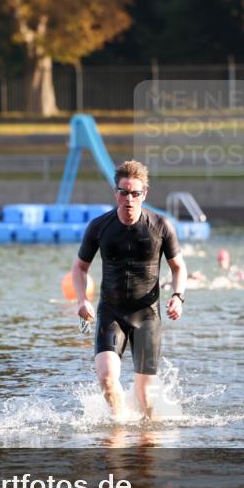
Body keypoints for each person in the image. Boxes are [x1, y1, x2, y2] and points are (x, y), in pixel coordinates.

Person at [70, 160, 186, 420]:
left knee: (146, 401)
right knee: (108, 379)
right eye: (124, 192)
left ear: (144, 194)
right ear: (116, 193)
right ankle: (119, 429)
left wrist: (178, 297)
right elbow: (79, 268)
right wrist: (81, 300)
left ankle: (146, 442)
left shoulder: (161, 226)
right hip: (111, 313)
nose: (129, 199)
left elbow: (179, 268)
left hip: (146, 316)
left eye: (135, 193)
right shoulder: (99, 227)